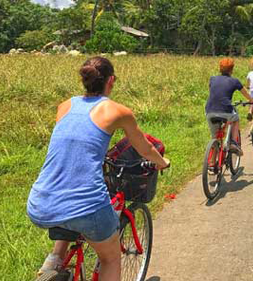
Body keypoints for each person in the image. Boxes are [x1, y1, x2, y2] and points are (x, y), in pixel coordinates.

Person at [27, 56, 170, 281]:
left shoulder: (64, 106)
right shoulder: (117, 111)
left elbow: (76, 145)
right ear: (111, 80)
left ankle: (53, 262)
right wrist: (163, 163)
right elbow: (145, 148)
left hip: (40, 203)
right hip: (85, 208)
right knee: (110, 257)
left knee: (69, 209)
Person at [205, 58, 253, 155]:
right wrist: (251, 101)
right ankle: (233, 143)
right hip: (225, 110)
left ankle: (211, 164)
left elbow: (212, 92)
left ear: (220, 69)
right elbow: (245, 94)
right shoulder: (234, 81)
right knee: (235, 119)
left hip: (209, 110)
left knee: (215, 137)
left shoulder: (212, 79)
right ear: (232, 70)